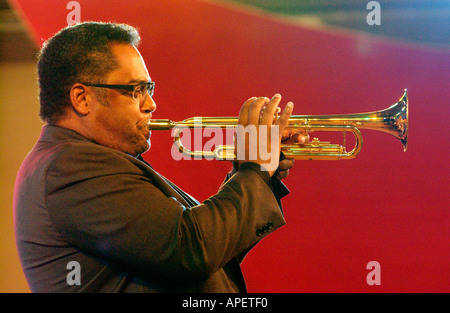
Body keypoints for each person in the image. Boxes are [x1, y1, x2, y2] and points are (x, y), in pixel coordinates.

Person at [13, 22, 306, 293]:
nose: (151, 104)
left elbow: (213, 253)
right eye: (136, 90)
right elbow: (191, 250)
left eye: (149, 89)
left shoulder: (87, 161)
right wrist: (254, 170)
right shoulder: (70, 166)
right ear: (82, 98)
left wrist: (257, 173)